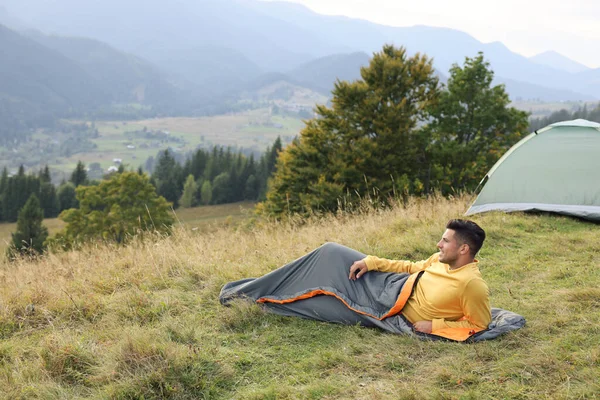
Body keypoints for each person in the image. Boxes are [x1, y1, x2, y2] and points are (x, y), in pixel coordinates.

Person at [348, 219, 491, 334]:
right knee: (335, 252)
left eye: (446, 241)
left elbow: (479, 324)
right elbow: (409, 267)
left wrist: (435, 326)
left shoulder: (471, 284)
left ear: (463, 249)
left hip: (397, 316)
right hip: (394, 290)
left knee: (330, 306)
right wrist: (372, 262)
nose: (438, 244)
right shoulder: (439, 259)